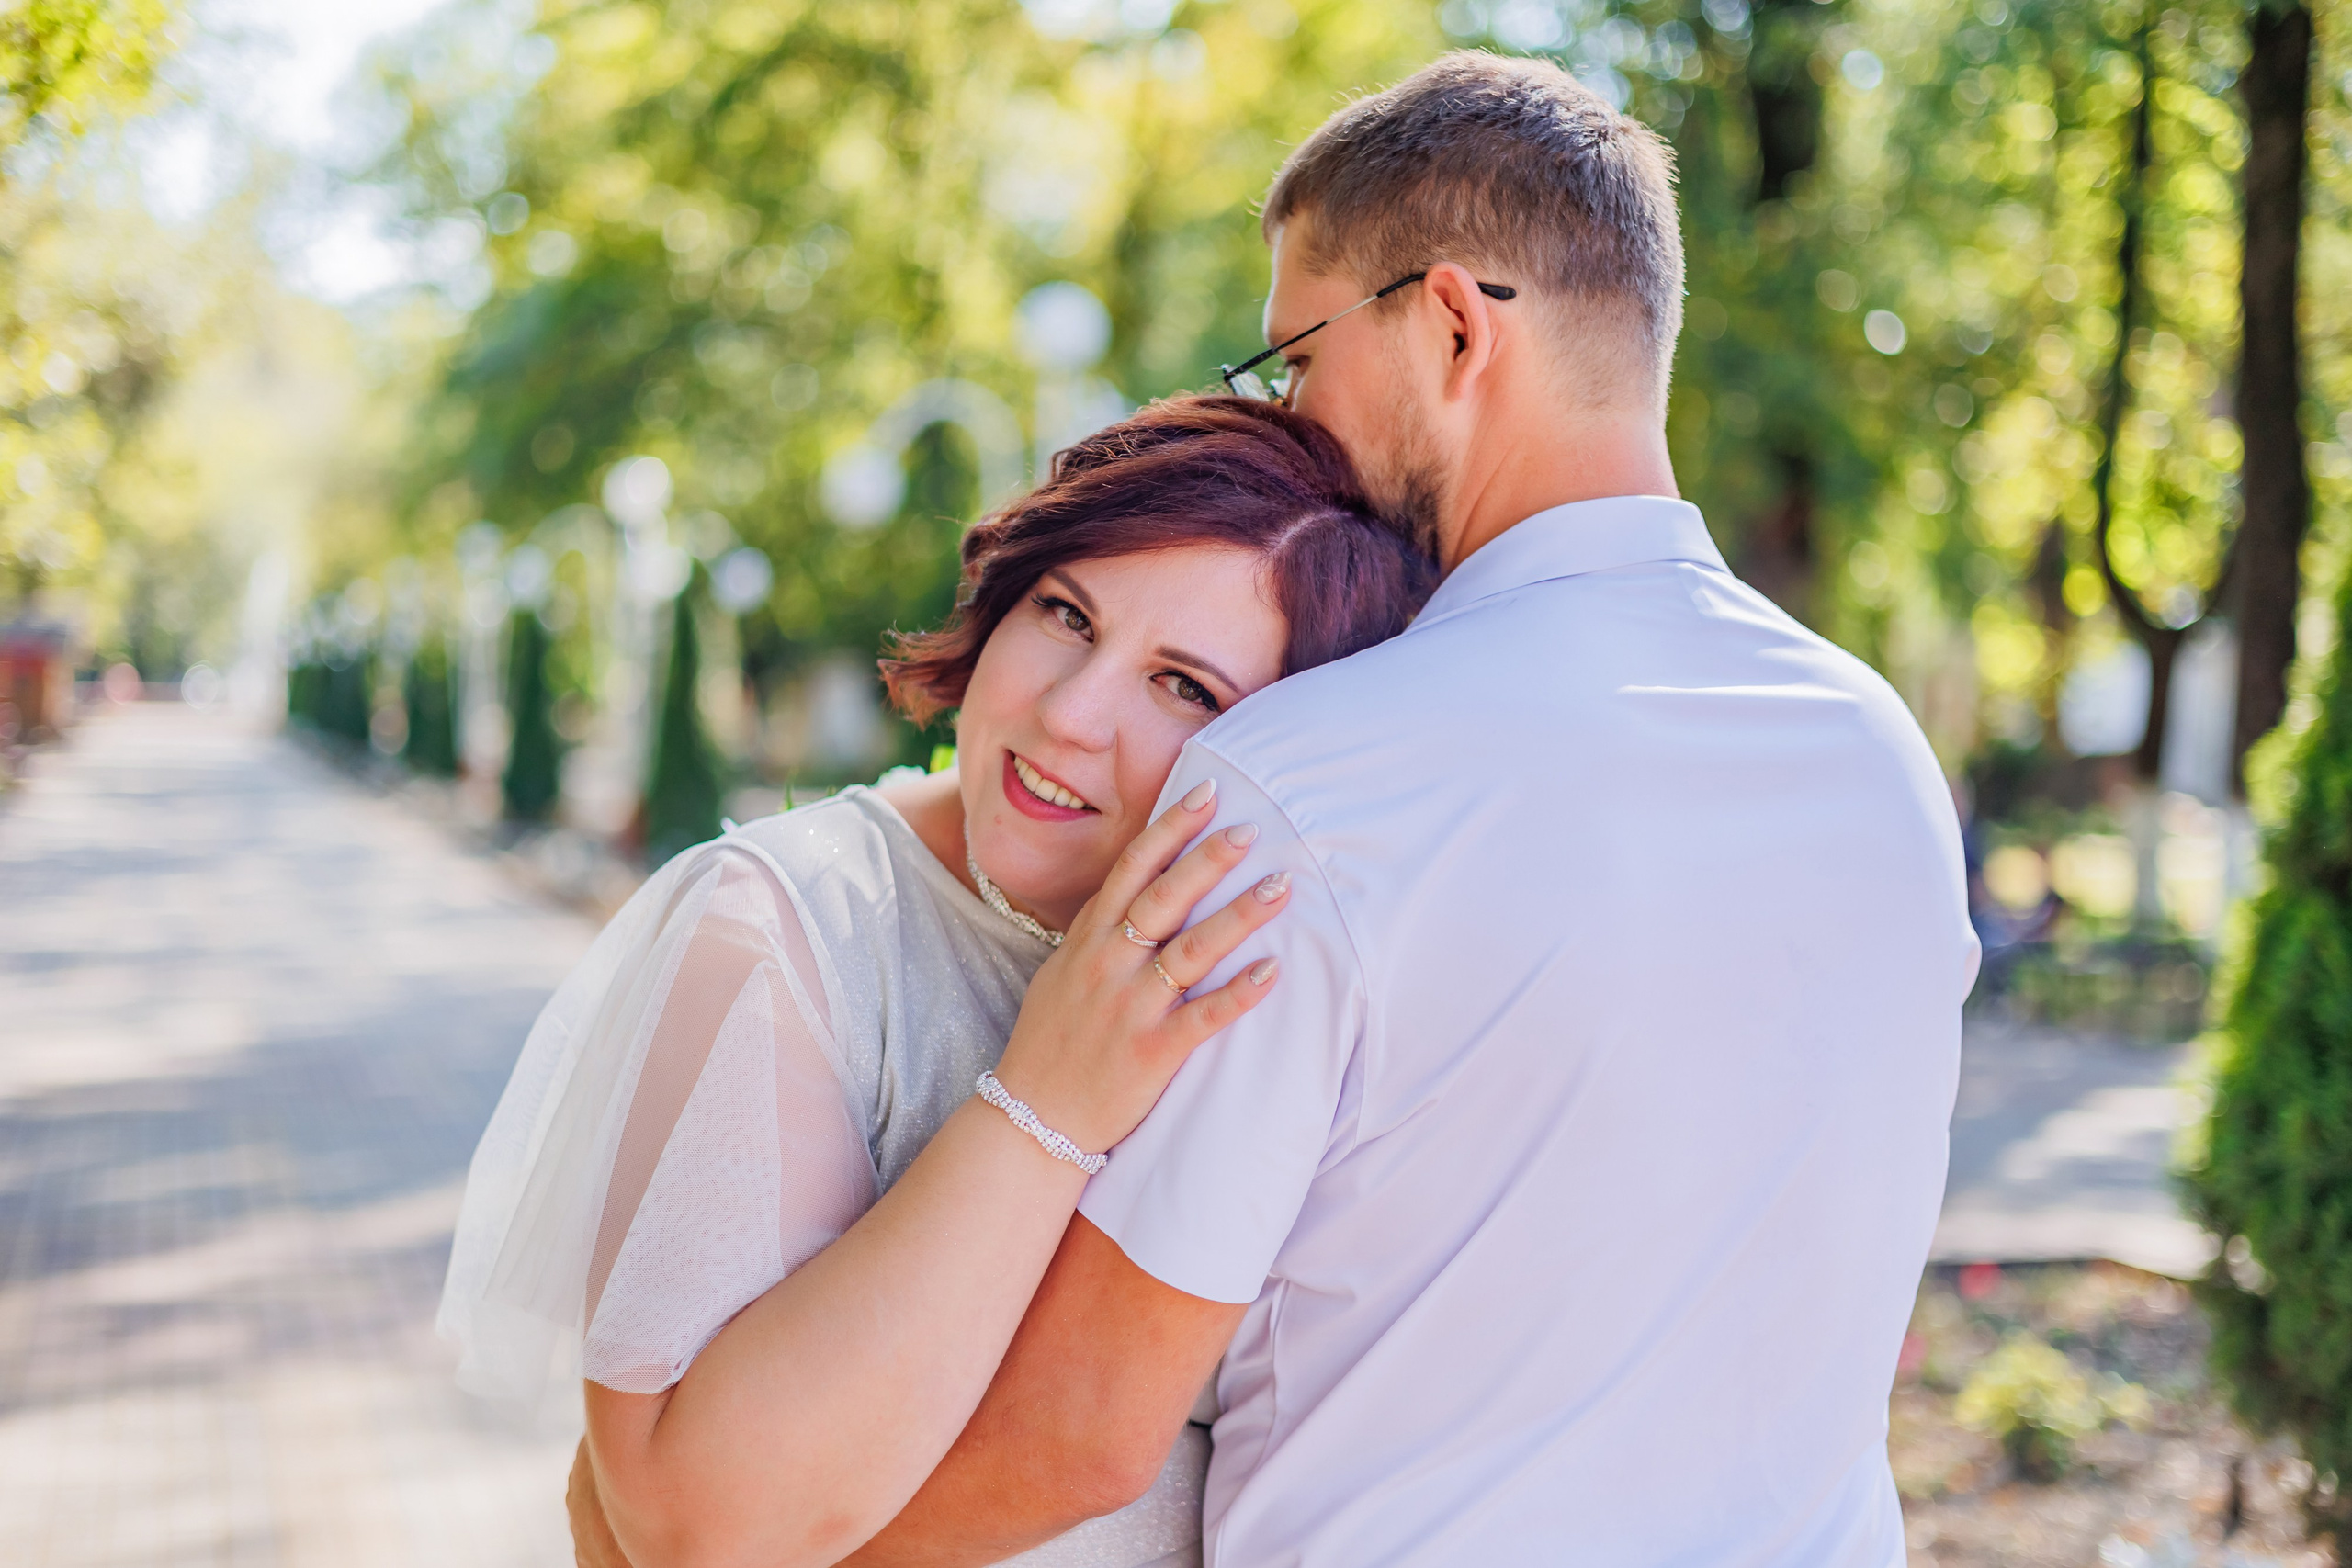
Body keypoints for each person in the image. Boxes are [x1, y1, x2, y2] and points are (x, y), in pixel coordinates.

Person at [825, 51, 1981, 1568]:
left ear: (1449, 324)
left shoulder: (1308, 784)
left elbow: (1082, 1429)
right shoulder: (1878, 757)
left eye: (1296, 356)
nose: (1292, 420)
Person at [439, 397, 1431, 1568]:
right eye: (1067, 614)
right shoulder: (782, 923)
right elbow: (692, 1524)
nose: (1070, 715)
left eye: (1185, 690)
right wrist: (1046, 1105)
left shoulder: (1295, 979)